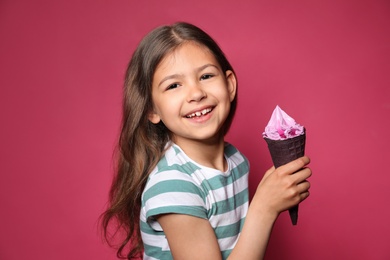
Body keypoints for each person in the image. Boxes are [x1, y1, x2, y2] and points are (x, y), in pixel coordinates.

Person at [101, 22, 311, 260]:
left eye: (206, 76)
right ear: (151, 109)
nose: (196, 93)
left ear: (229, 85)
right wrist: (264, 208)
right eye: (174, 85)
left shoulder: (236, 160)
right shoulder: (173, 185)